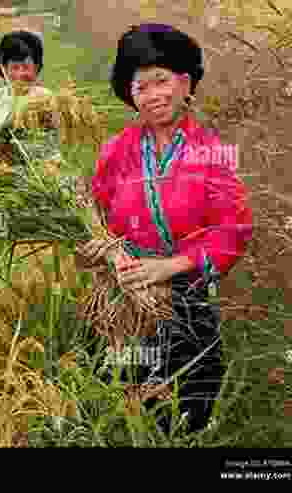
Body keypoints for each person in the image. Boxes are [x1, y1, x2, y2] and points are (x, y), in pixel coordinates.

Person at [76, 24, 253, 435]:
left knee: (186, 413)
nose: (153, 95)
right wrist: (109, 252)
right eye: (140, 87)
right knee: (123, 406)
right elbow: (90, 220)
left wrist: (171, 266)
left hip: (187, 298)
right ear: (129, 95)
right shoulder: (115, 150)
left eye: (162, 81)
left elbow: (233, 230)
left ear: (185, 81)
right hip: (124, 300)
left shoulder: (213, 151)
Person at [0, 30, 62, 167]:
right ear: (3, 68)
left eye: (26, 67)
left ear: (36, 67)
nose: (20, 74)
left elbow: (53, 143)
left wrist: (17, 150)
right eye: (14, 67)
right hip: (4, 172)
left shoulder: (46, 98)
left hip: (42, 169)